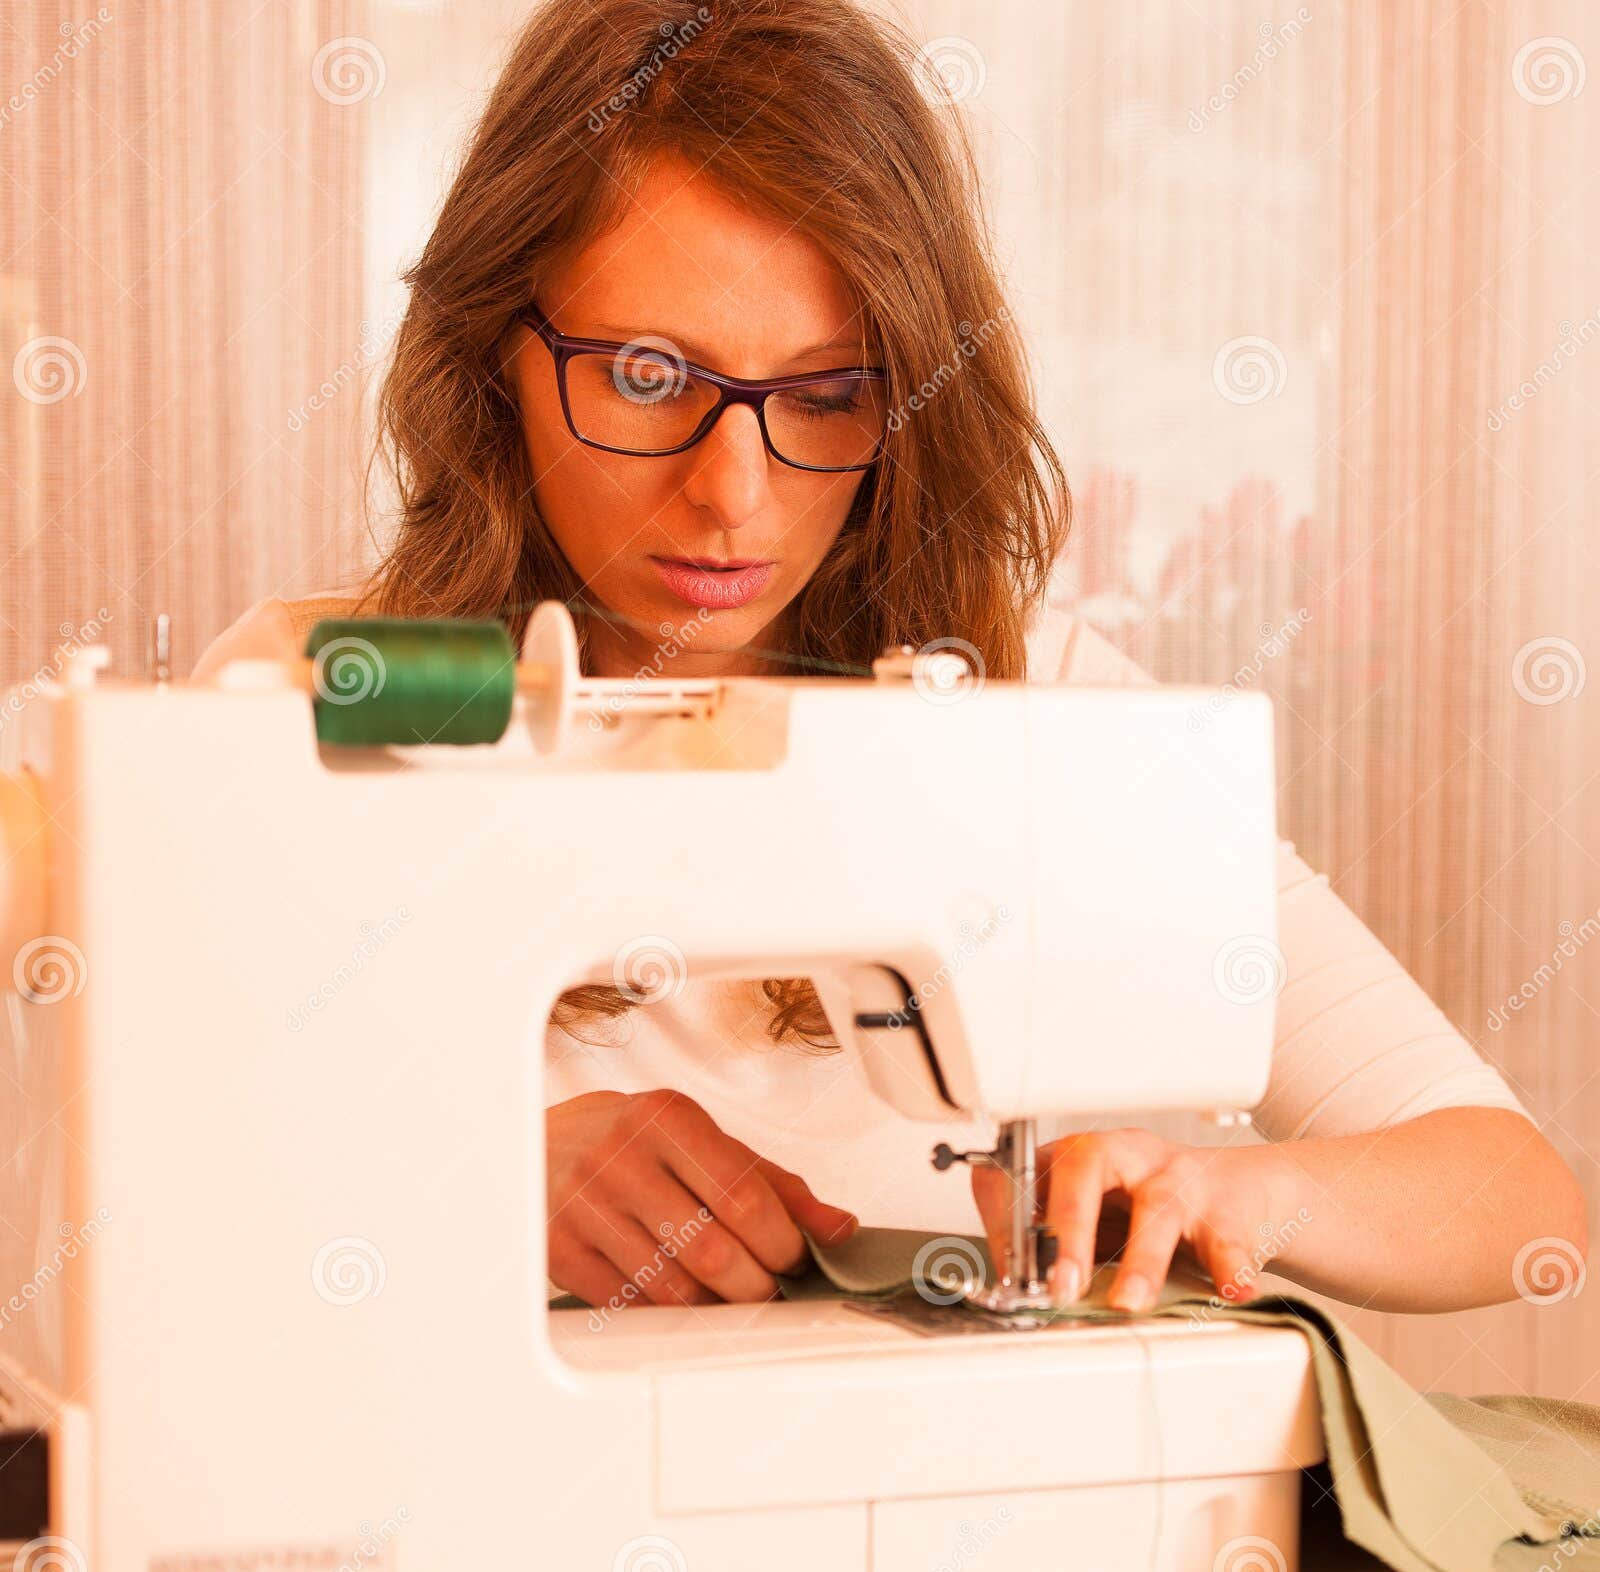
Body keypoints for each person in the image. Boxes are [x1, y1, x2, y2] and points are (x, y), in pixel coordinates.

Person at [194, 0, 1585, 1320]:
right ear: (494, 347)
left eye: (827, 393)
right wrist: (475, 1170)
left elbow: (1519, 1202)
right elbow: (155, 1200)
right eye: (649, 375)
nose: (733, 492)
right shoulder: (313, 702)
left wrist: (1239, 1193)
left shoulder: (1044, 707)